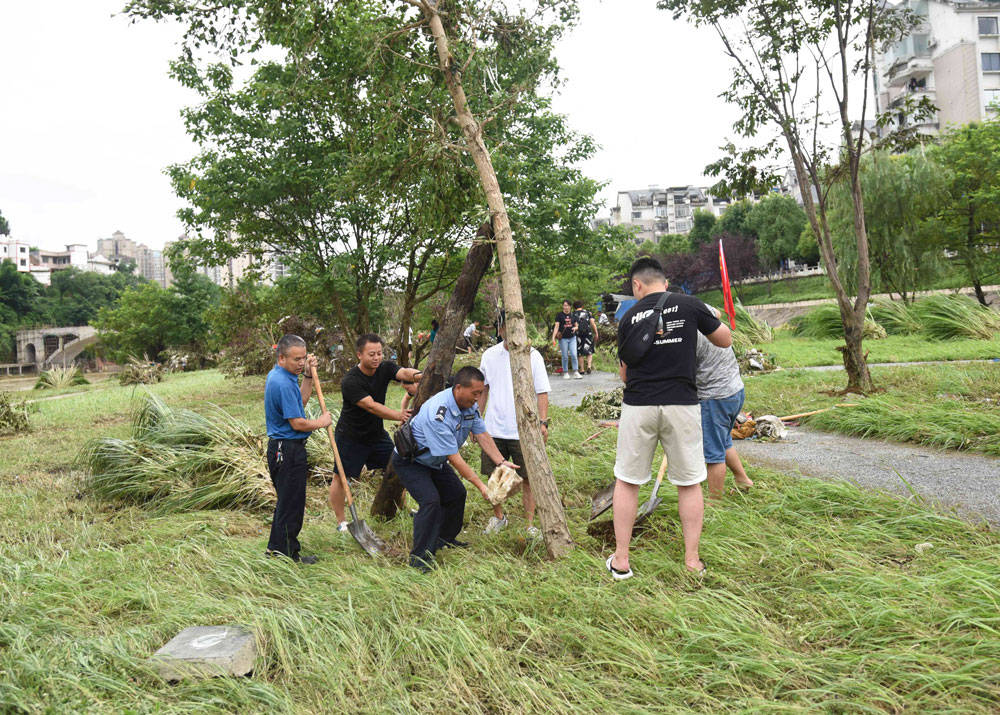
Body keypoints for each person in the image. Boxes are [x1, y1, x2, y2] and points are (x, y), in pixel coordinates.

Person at [608, 257, 732, 581]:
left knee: (628, 481)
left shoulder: (628, 317)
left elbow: (624, 374)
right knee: (689, 482)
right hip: (682, 404)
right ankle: (692, 560)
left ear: (637, 285)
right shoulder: (690, 305)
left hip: (638, 406)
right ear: (665, 281)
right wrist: (713, 317)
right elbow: (725, 339)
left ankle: (621, 559)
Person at [391, 366, 516, 571]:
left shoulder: (469, 406)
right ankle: (419, 558)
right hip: (412, 462)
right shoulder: (438, 413)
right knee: (430, 501)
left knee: (456, 494)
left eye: (480, 393)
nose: (478, 398)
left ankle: (444, 539)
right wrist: (481, 486)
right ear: (458, 388)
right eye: (475, 393)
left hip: (435, 460)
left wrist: (501, 462)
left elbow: (482, 434)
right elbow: (455, 459)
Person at [329, 333, 422, 532]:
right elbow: (371, 406)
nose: (376, 358)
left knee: (398, 466)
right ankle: (341, 522)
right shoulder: (350, 381)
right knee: (341, 477)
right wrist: (399, 415)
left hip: (376, 435)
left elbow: (404, 373)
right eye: (371, 354)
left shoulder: (385, 367)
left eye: (379, 353)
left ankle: (402, 506)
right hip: (350, 437)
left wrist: (424, 375)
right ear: (359, 355)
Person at [477, 312, 551, 536]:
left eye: (515, 327)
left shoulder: (532, 356)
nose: (510, 332)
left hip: (524, 430)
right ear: (499, 330)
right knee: (493, 476)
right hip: (494, 428)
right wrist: (477, 421)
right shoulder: (489, 356)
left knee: (529, 478)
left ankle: (529, 524)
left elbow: (542, 391)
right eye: (505, 327)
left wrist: (543, 422)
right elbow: (483, 389)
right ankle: (499, 517)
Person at [264, 334, 333, 564]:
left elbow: (300, 402)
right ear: (281, 357)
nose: (301, 363)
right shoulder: (282, 382)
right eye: (296, 359)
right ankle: (286, 555)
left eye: (304, 358)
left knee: (288, 502)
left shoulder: (285, 375)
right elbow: (298, 423)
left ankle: (277, 549)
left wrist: (307, 376)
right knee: (291, 505)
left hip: (285, 448)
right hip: (287, 450)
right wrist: (321, 422)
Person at [695, 315, 753, 500]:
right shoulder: (704, 313)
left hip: (714, 397)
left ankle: (715, 503)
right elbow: (717, 313)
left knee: (713, 454)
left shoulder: (690, 334)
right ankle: (742, 479)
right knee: (723, 441)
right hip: (735, 390)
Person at [551, 300, 582, 380]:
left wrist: (575, 328)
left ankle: (576, 371)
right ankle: (565, 372)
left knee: (574, 354)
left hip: (572, 338)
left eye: (567, 305)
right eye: (564, 305)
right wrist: (553, 337)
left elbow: (577, 326)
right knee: (564, 356)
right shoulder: (559, 315)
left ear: (570, 306)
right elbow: (556, 327)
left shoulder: (573, 315)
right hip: (563, 339)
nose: (565, 307)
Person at [572, 300, 599, 375]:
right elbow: (592, 323)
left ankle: (582, 369)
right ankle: (589, 366)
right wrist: (596, 333)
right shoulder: (588, 313)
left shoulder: (573, 314)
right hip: (588, 333)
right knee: (589, 350)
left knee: (580, 352)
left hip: (578, 333)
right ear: (582, 306)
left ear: (574, 307)